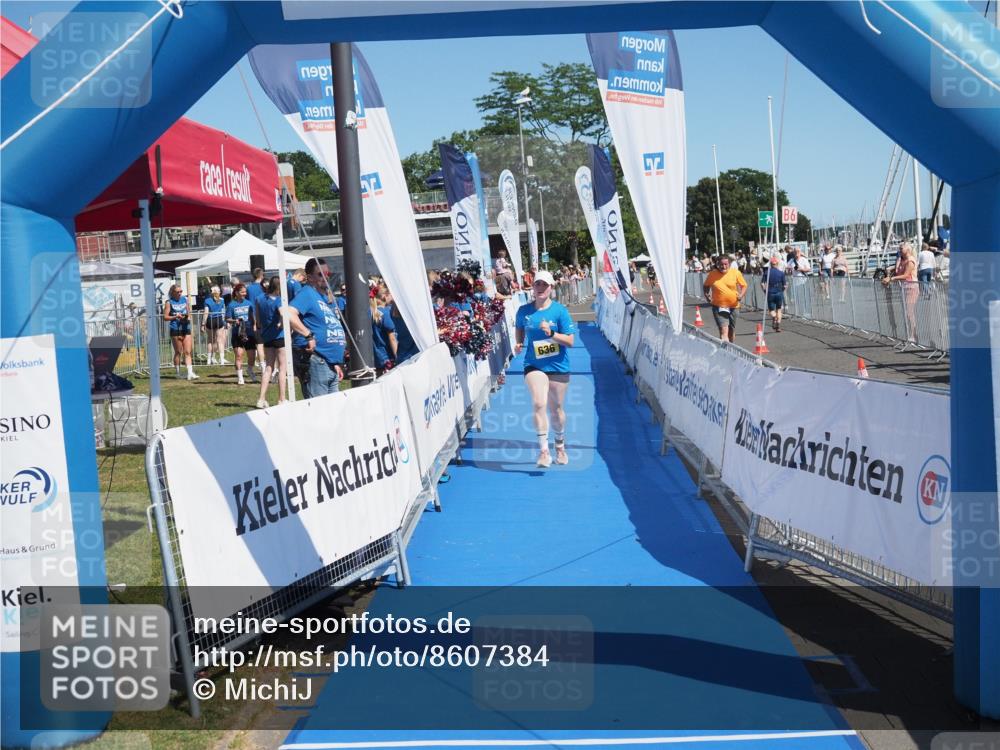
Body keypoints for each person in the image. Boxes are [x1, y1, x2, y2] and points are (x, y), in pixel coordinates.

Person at [515, 270, 577, 468]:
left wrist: (552, 334)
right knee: (539, 403)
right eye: (537, 284)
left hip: (558, 366)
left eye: (545, 285)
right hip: (534, 365)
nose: (540, 288)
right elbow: (519, 329)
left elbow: (570, 341)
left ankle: (560, 446)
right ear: (532, 287)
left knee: (556, 409)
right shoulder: (523, 311)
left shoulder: (560, 311)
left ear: (551, 287)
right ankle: (543, 452)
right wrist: (519, 343)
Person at [284, 257, 346, 398]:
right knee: (319, 410)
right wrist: (308, 335)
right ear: (310, 277)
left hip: (329, 363)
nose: (325, 277)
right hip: (316, 361)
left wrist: (334, 362)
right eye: (320, 274)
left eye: (327, 274)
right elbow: (288, 313)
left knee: (333, 410)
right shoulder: (307, 293)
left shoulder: (321, 298)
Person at [255, 277, 288, 408]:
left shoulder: (260, 299)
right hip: (279, 336)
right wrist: (281, 323)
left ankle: (261, 398)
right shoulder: (279, 300)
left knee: (269, 367)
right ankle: (281, 398)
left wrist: (260, 326)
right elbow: (282, 314)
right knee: (282, 367)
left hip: (266, 336)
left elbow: (257, 319)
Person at [702, 255, 746, 343]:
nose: (724, 266)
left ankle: (731, 346)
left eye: (726, 264)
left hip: (734, 306)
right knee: (723, 331)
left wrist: (741, 295)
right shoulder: (712, 274)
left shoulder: (735, 273)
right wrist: (707, 295)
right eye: (721, 264)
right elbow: (706, 286)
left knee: (731, 331)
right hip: (719, 306)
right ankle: (725, 349)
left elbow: (744, 285)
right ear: (717, 264)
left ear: (729, 264)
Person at [882, 242, 919, 342]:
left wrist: (891, 278)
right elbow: (898, 272)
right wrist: (891, 270)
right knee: (906, 312)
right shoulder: (903, 260)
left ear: (908, 250)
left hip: (911, 288)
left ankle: (913, 334)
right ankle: (910, 333)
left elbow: (906, 275)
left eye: (901, 248)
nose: (899, 250)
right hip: (904, 288)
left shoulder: (910, 261)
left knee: (909, 312)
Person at [164, 284, 198, 380]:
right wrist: (175, 316)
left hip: (185, 327)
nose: (180, 293)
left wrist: (187, 316)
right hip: (175, 328)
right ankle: (178, 373)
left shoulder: (184, 299)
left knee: (187, 351)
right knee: (178, 352)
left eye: (181, 291)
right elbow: (165, 317)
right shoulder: (169, 302)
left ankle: (190, 372)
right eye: (177, 292)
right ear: (172, 292)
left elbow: (188, 312)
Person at [226, 284, 258, 385]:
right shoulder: (231, 305)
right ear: (236, 293)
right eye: (242, 292)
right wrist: (234, 321)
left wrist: (255, 326)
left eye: (245, 292)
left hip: (249, 333)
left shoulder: (249, 303)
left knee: (252, 356)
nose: (244, 294)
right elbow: (227, 318)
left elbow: (253, 316)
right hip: (237, 333)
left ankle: (249, 369)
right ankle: (240, 378)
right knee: (239, 355)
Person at [370, 289, 398, 375]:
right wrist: (397, 356)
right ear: (385, 296)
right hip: (388, 357)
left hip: (376, 358)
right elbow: (392, 338)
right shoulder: (386, 313)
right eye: (391, 294)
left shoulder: (371, 313)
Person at [201, 285, 228, 365]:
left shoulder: (207, 300)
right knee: (220, 340)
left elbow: (206, 313)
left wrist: (203, 324)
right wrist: (225, 321)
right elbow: (223, 311)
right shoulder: (222, 300)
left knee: (210, 340)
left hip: (210, 320)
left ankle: (209, 360)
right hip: (219, 319)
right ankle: (222, 360)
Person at [762, 256, 787, 332]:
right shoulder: (781, 273)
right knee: (779, 309)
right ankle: (778, 324)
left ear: (770, 264)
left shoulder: (767, 273)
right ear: (777, 264)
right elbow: (785, 285)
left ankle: (774, 317)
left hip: (770, 292)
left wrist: (764, 291)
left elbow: (762, 283)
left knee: (771, 310)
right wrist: (782, 290)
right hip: (779, 292)